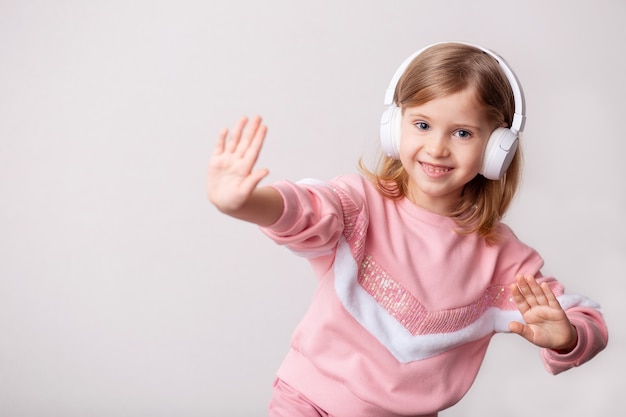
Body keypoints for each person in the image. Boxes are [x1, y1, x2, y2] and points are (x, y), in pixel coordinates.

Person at [206, 42, 608, 417]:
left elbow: (582, 316)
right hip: (307, 401)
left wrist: (568, 337)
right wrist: (247, 203)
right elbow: (305, 209)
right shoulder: (358, 205)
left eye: (463, 133)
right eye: (422, 125)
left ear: (496, 149)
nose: (437, 148)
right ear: (394, 126)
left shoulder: (502, 258)